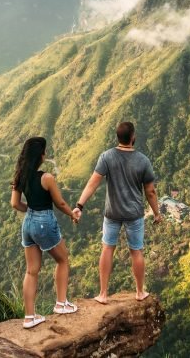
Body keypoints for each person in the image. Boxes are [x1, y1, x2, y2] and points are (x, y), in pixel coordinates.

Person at [75, 121, 162, 303]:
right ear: (133, 137)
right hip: (134, 214)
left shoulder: (107, 157)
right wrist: (157, 213)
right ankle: (139, 292)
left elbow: (93, 183)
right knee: (136, 251)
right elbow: (150, 191)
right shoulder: (143, 160)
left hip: (112, 213)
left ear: (117, 137)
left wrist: (79, 205)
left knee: (107, 248)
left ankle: (103, 294)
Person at [10, 136, 82, 328]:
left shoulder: (20, 176)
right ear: (40, 156)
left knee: (31, 270)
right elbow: (60, 203)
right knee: (63, 259)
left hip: (28, 224)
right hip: (44, 222)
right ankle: (61, 303)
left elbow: (15, 204)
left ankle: (29, 317)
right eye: (44, 151)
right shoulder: (46, 178)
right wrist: (72, 215)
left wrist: (31, 210)